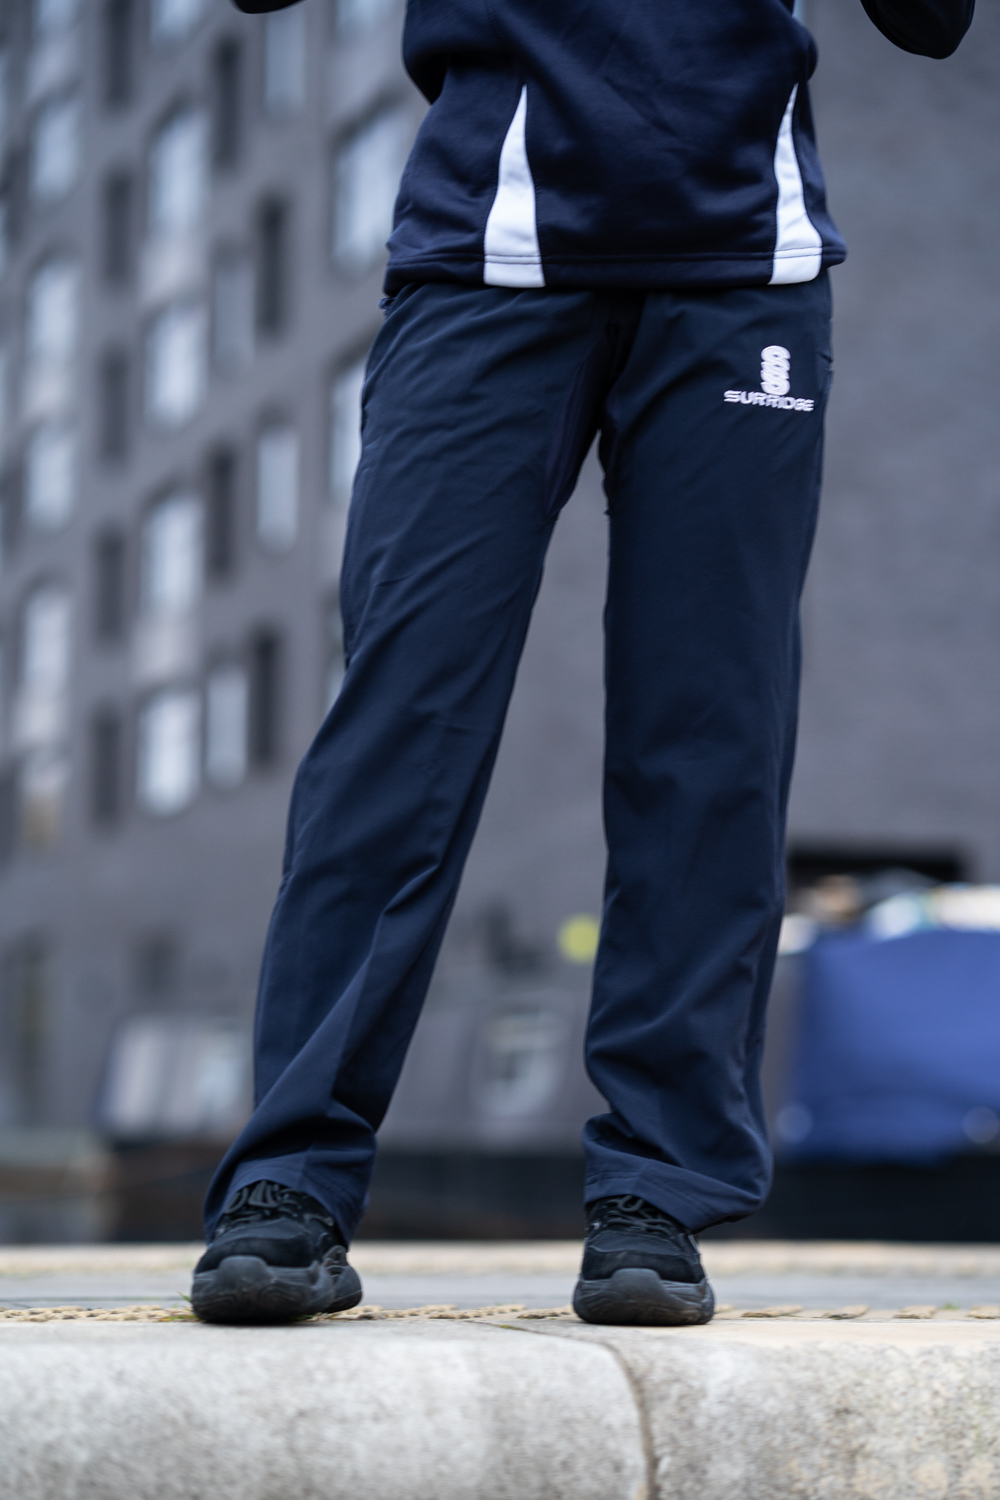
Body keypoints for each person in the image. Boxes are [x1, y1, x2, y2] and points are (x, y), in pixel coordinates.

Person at [193, 0, 974, 1326]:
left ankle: (659, 1191)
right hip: (484, 256)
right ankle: (290, 1182)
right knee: (398, 725)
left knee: (709, 737)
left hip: (743, 269)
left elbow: (934, 24)